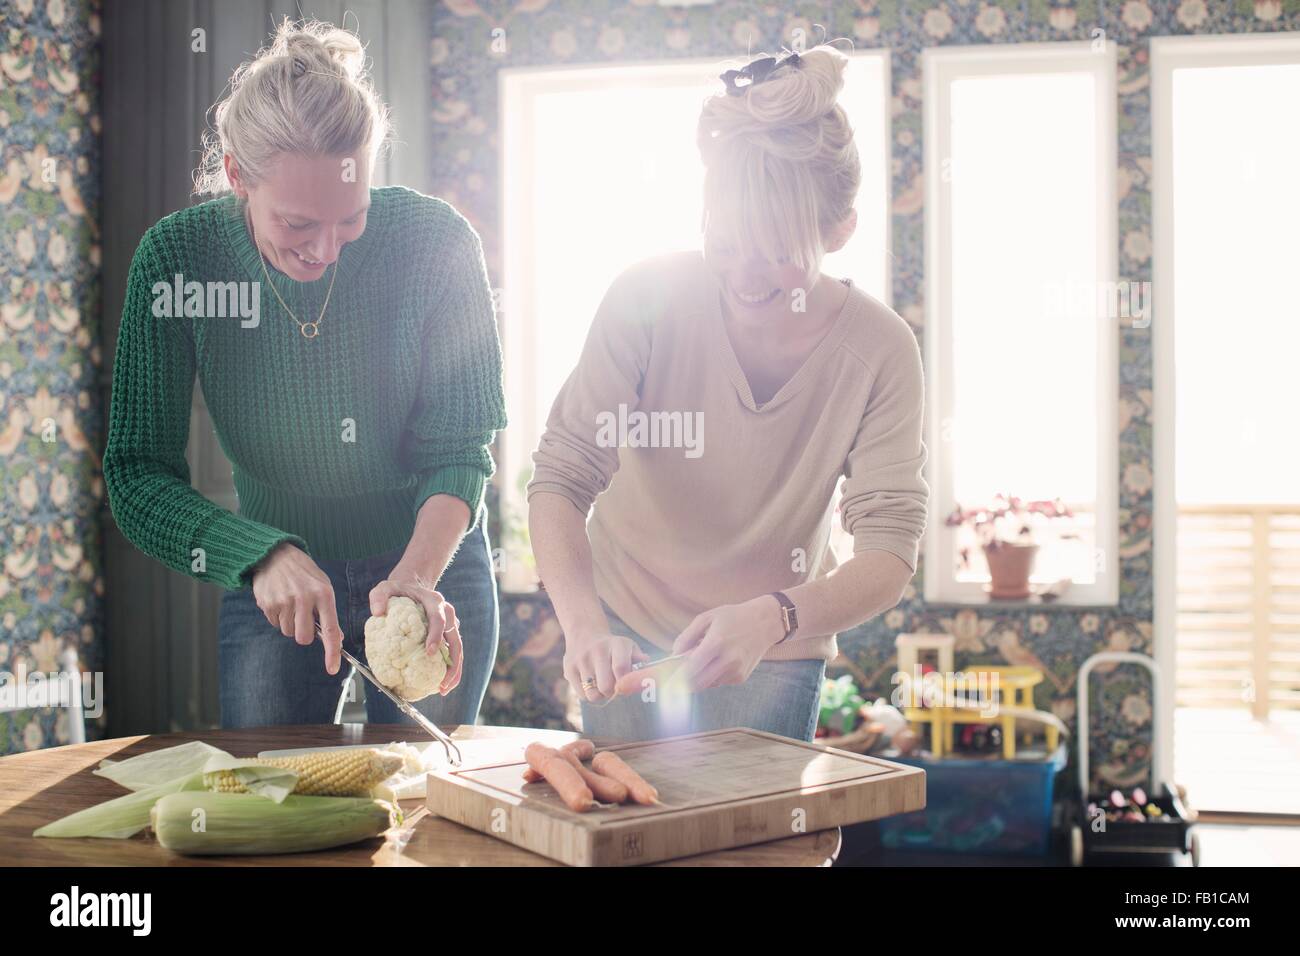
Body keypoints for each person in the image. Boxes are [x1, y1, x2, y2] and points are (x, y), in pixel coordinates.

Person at [103, 20, 506, 728]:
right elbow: (137, 473)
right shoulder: (177, 261)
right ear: (236, 176)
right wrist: (258, 556)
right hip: (275, 582)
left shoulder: (438, 243)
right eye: (295, 225)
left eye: (349, 219)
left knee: (432, 807)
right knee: (273, 804)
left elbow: (460, 450)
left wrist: (414, 579)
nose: (324, 250)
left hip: (429, 561)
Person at [527, 45, 928, 742]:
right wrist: (586, 628)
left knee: (757, 846)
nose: (745, 275)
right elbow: (561, 477)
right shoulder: (645, 297)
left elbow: (888, 555)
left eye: (776, 251)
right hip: (625, 632)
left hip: (774, 651)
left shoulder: (880, 349)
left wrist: (773, 616)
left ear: (839, 232)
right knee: (629, 836)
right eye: (727, 241)